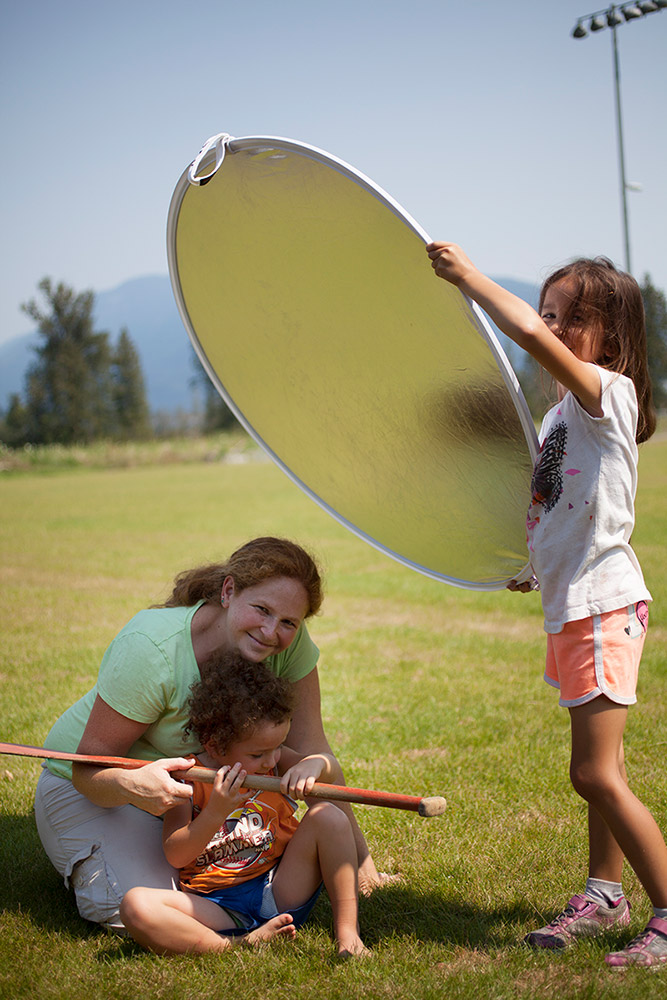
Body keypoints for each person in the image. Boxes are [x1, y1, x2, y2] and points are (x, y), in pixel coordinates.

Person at [427, 242, 667, 970]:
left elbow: (525, 337)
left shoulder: (607, 393)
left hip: (602, 603)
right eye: (548, 314)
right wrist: (534, 564)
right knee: (603, 770)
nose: (549, 327)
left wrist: (469, 280)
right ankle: (604, 895)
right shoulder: (561, 414)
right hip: (571, 602)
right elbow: (560, 501)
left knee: (592, 774)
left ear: (611, 334)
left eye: (569, 318)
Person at [34, 536, 387, 932]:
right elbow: (87, 771)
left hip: (188, 795)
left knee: (196, 887)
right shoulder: (151, 648)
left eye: (289, 621)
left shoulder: (288, 640)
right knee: (141, 908)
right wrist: (133, 784)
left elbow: (313, 752)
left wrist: (362, 867)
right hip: (98, 788)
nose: (272, 631)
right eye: (262, 609)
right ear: (229, 590)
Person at [120, 653, 368, 958]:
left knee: (329, 816)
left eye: (278, 746)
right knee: (135, 904)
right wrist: (216, 811)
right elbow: (176, 852)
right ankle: (235, 945)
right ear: (215, 745)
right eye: (258, 754)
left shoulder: (274, 764)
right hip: (215, 905)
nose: (272, 760)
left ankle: (348, 932)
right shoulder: (188, 777)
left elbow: (327, 766)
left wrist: (315, 764)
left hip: (277, 888)